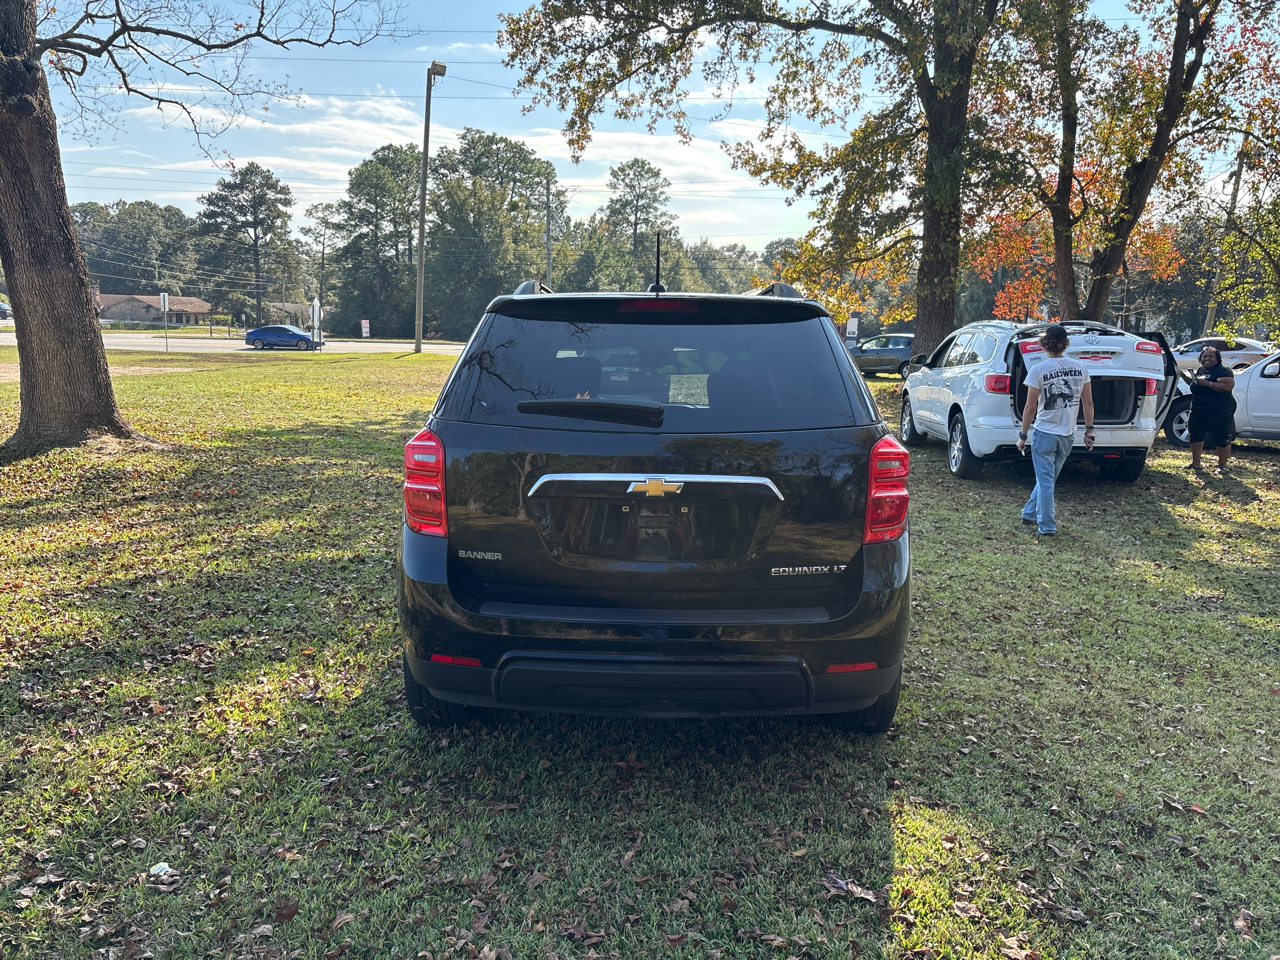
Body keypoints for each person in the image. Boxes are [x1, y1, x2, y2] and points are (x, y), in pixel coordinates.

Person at [1016, 324, 1095, 536]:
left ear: (1044, 344)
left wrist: (1023, 435)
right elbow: (1088, 402)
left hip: (1045, 432)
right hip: (1067, 433)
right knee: (1048, 480)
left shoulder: (1038, 370)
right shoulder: (1081, 368)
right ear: (1065, 344)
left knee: (1045, 481)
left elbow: (1030, 407)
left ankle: (1047, 526)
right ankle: (1029, 513)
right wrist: (1089, 430)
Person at [1178, 344, 1235, 473]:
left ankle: (1222, 466)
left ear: (1217, 359)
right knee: (1196, 434)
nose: (1207, 359)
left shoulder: (1223, 371)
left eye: (1211, 356)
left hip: (1220, 409)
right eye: (1204, 356)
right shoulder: (1201, 371)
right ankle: (1196, 463)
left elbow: (1227, 387)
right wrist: (1182, 375)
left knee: (1221, 436)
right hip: (1199, 408)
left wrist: (1208, 383)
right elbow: (1195, 384)